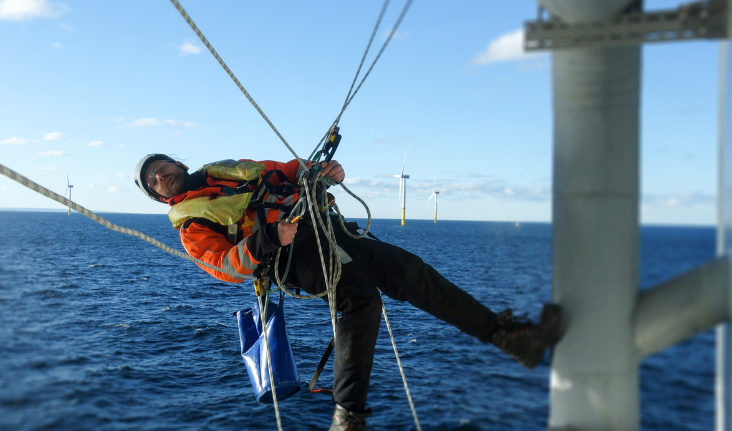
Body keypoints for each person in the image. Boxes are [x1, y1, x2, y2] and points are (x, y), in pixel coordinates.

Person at [133, 154, 562, 431]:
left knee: (412, 273)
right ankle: (348, 416)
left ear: (177, 162)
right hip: (291, 255)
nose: (161, 174)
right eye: (154, 180)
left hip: (328, 228)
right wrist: (266, 240)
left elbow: (284, 170)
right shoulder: (191, 225)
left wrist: (317, 172)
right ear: (158, 195)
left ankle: (507, 338)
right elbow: (223, 267)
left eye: (162, 165)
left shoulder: (228, 169)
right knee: (360, 300)